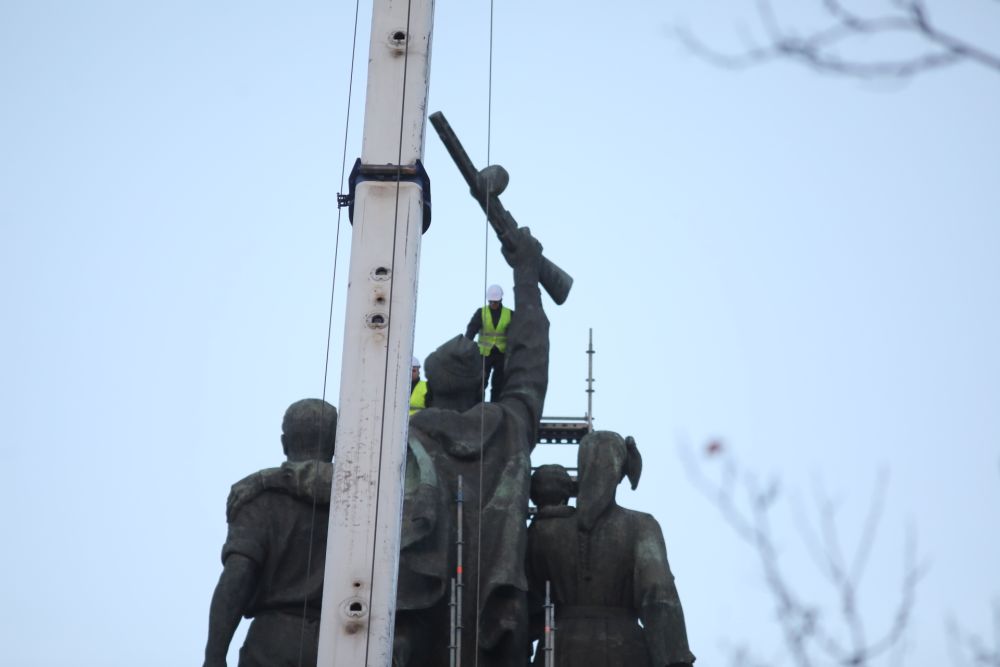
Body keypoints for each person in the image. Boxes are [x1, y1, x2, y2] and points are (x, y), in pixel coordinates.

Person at [394, 227, 548, 667]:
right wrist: (527, 278)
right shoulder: (507, 425)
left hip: (416, 621)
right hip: (494, 628)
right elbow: (529, 366)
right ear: (479, 385)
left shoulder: (401, 442)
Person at [525, 431, 695, 667]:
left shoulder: (542, 531)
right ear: (619, 473)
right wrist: (676, 660)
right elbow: (658, 593)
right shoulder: (641, 526)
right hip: (626, 652)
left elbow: (524, 604)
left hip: (559, 649)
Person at [203, 399, 337, 667]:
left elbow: (237, 578)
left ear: (284, 443)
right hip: (343, 642)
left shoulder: (258, 499)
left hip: (273, 643)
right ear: (336, 443)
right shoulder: (362, 497)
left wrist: (214, 656)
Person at [465, 283, 513, 402]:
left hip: (501, 354)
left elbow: (515, 333)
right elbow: (472, 329)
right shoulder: (481, 312)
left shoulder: (509, 314)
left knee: (498, 383)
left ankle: (495, 408)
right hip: (484, 354)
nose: (493, 304)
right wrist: (466, 344)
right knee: (480, 382)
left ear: (500, 300)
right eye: (491, 301)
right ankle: (477, 407)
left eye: (495, 302)